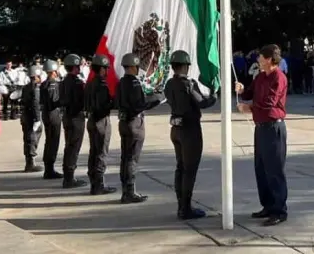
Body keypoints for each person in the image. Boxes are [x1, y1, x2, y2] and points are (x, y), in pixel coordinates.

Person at [235, 44, 289, 227]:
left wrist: (249, 108)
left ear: (268, 59)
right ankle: (268, 205)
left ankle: (279, 210)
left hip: (274, 127)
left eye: (260, 57)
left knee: (274, 169)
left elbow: (270, 102)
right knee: (261, 168)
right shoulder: (260, 77)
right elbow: (250, 92)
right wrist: (242, 89)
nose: (258, 60)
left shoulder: (278, 78)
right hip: (261, 127)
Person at [165, 50, 218, 219]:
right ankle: (185, 208)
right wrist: (215, 95)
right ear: (186, 66)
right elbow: (202, 102)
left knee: (180, 168)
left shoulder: (169, 84)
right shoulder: (188, 84)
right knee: (189, 170)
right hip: (190, 130)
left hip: (176, 129)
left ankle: (181, 205)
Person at [117, 52, 164, 204]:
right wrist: (155, 102)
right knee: (132, 159)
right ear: (132, 67)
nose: (138, 69)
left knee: (125, 158)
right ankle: (130, 192)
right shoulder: (134, 83)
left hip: (123, 122)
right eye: (137, 66)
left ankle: (126, 190)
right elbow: (139, 105)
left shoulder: (121, 82)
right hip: (134, 123)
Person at [84, 54, 116, 195]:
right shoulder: (102, 85)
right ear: (102, 69)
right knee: (101, 153)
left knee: (93, 152)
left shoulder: (90, 83)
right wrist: (114, 102)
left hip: (91, 120)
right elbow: (103, 106)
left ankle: (93, 182)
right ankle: (99, 185)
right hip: (101, 120)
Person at [59, 53, 87, 189]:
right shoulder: (77, 83)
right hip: (76, 118)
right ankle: (69, 178)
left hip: (67, 117)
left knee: (69, 146)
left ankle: (68, 176)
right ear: (75, 67)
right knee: (74, 148)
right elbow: (81, 101)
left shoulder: (64, 82)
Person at [40, 59, 64, 180]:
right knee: (53, 141)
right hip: (53, 114)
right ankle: (50, 170)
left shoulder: (44, 83)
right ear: (53, 71)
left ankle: (48, 168)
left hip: (46, 114)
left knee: (48, 141)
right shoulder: (53, 84)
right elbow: (54, 101)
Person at [18, 65, 44, 173]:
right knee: (32, 138)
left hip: (26, 115)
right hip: (32, 116)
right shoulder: (36, 87)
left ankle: (29, 162)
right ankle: (30, 163)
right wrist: (37, 119)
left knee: (28, 138)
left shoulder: (26, 87)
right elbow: (35, 104)